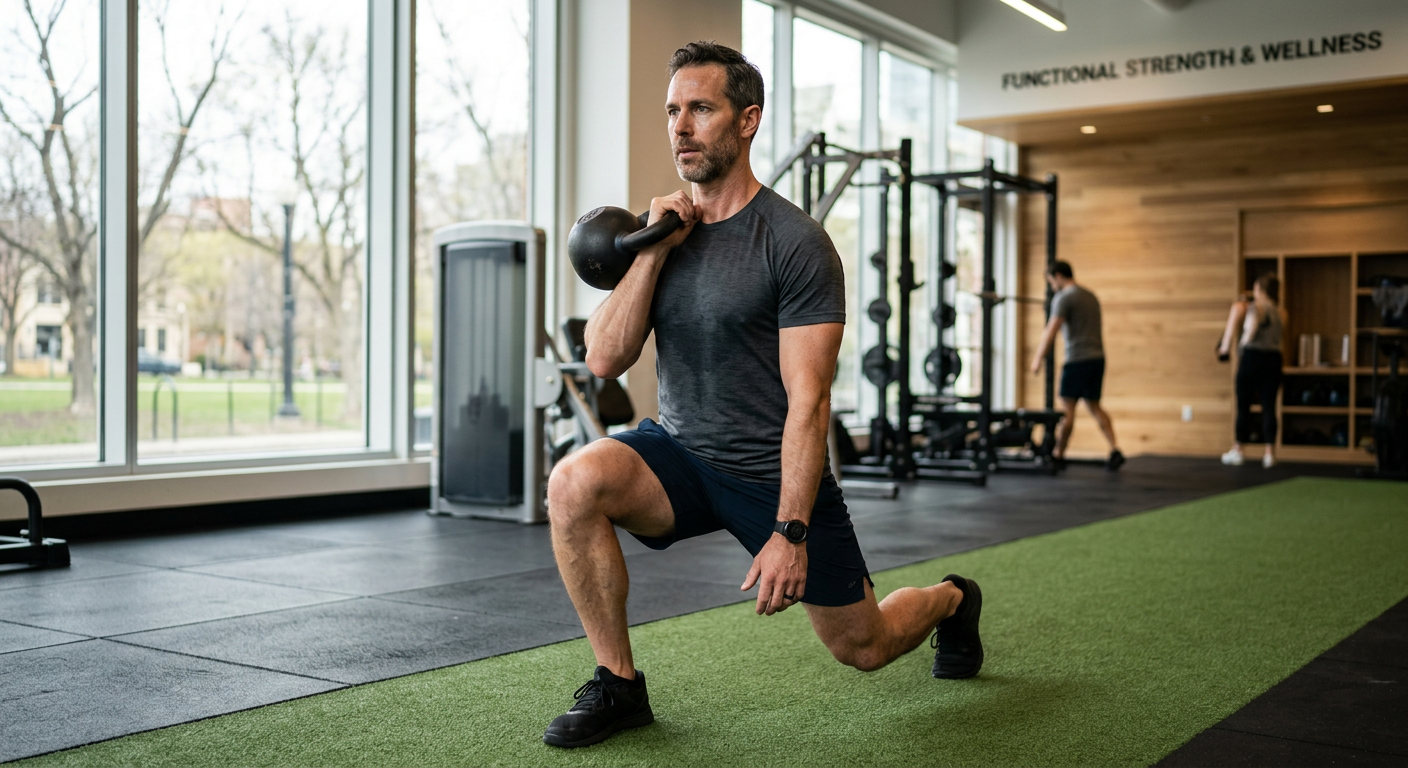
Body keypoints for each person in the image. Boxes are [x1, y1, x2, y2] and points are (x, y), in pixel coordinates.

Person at [541, 41, 984, 749]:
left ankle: (953, 598)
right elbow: (602, 358)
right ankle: (619, 684)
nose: (681, 127)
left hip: (772, 471)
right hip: (679, 452)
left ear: (746, 121)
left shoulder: (794, 243)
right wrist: (652, 250)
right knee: (573, 482)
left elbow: (808, 404)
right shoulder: (662, 237)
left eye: (701, 109)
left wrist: (791, 532)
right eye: (673, 112)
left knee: (863, 647)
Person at [1030, 261, 1124, 471]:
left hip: (1076, 359)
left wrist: (1038, 359)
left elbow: (1051, 330)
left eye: (1051, 281)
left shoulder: (1063, 298)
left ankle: (1058, 454)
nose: (1052, 286)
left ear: (1058, 276)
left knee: (1067, 408)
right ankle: (1115, 448)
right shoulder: (1090, 296)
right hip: (1097, 358)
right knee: (1094, 405)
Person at [1216, 274, 1285, 468]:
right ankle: (1269, 453)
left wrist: (1240, 347)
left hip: (1253, 358)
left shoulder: (1257, 308)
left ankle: (1238, 449)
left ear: (1259, 289)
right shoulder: (1281, 312)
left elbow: (1251, 329)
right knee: (1269, 407)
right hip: (1274, 360)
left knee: (1243, 405)